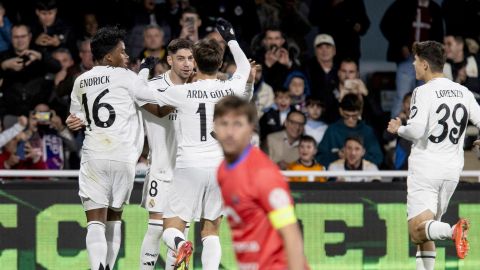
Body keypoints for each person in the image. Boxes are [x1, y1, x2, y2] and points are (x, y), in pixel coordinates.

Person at [135, 19, 251, 270]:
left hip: (187, 167)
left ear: (195, 63)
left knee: (170, 229)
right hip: (220, 169)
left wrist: (144, 69)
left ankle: (179, 245)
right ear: (220, 64)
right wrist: (231, 38)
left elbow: (140, 93)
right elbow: (243, 67)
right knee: (211, 232)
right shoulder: (229, 88)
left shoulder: (181, 93)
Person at [387, 41, 480, 268]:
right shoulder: (463, 91)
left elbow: (416, 130)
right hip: (451, 172)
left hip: (426, 169)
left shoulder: (423, 91)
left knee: (416, 232)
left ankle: (453, 231)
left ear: (425, 64)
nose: (413, 65)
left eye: (416, 61)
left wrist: (398, 128)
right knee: (428, 230)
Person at [68, 26, 147, 270]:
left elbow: (75, 118)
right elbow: (147, 96)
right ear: (109, 56)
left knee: (95, 222)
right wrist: (144, 70)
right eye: (122, 52)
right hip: (124, 156)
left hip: (94, 155)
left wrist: (73, 122)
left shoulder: (81, 80)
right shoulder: (128, 77)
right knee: (114, 218)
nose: (126, 57)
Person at [214, 95, 308, 270]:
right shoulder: (222, 170)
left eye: (237, 124)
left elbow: (292, 235)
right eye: (224, 123)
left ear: (251, 129)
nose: (229, 132)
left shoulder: (263, 174)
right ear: (214, 127)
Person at [138, 38, 195, 270]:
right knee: (155, 229)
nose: (186, 64)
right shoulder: (152, 87)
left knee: (181, 234)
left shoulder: (198, 90)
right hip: (161, 169)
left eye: (190, 58)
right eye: (181, 58)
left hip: (188, 173)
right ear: (170, 60)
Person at [380, 0, 444, 118]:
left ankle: (422, 129)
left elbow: (439, 35)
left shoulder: (434, 8)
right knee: (402, 95)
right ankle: (394, 132)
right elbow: (385, 24)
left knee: (425, 96)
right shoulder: (402, 4)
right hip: (407, 57)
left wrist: (434, 57)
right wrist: (401, 45)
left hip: (427, 60)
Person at [0, 24, 61, 117]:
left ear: (30, 36)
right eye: (16, 37)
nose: (20, 40)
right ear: (11, 38)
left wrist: (40, 56)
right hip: (12, 113)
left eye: (23, 36)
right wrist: (4, 65)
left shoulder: (39, 53)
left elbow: (57, 67)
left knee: (49, 117)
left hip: (38, 113)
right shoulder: (3, 57)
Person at [316, 94, 383, 167]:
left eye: (354, 116)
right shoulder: (332, 130)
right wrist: (336, 155)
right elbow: (320, 158)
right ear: (341, 111)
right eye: (347, 115)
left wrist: (357, 156)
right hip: (337, 176)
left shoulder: (367, 131)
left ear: (360, 112)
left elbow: (378, 159)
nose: (350, 120)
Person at [305, 34, 339, 123]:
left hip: (337, 118)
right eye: (320, 47)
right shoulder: (307, 69)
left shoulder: (342, 70)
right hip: (313, 119)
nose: (324, 51)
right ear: (315, 51)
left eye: (328, 47)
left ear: (334, 50)